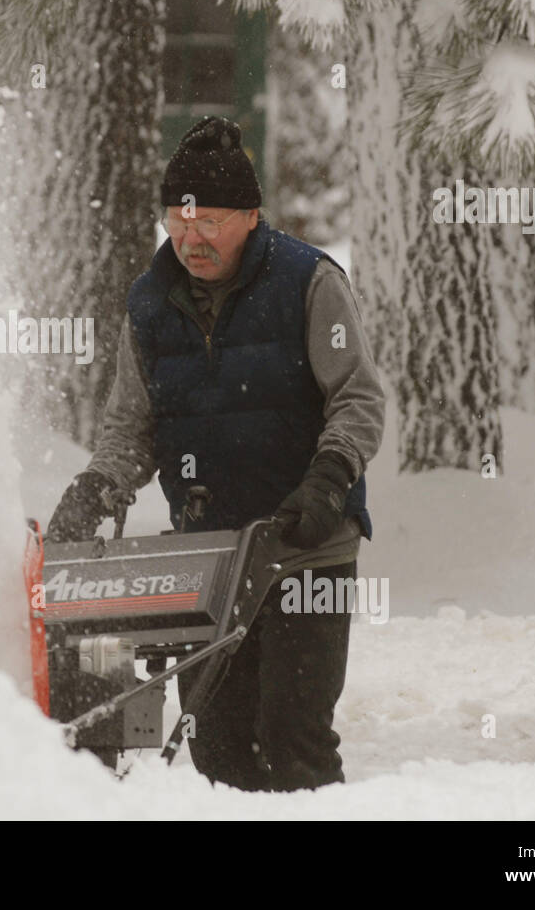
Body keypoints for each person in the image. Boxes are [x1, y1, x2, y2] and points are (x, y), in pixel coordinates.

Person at [46, 115, 386, 792]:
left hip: (305, 550)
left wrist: (328, 478)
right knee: (218, 753)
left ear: (251, 217)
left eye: (209, 221)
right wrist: (97, 486)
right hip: (212, 563)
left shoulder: (308, 282)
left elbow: (358, 397)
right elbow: (131, 427)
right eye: (178, 217)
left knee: (296, 744)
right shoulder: (149, 304)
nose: (189, 236)